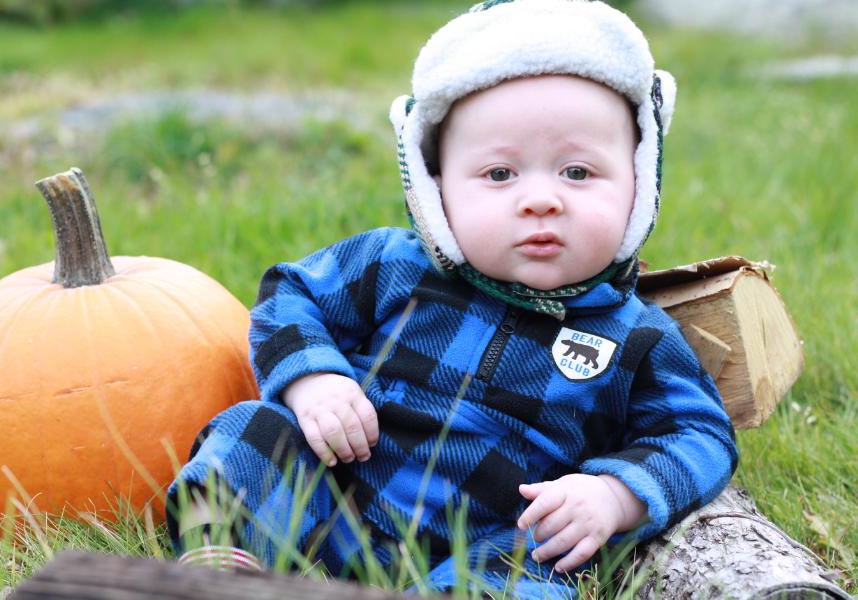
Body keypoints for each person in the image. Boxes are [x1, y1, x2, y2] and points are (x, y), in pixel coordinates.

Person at [167, 1, 738, 596]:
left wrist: (615, 495)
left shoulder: (636, 337)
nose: (540, 200)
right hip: (333, 496)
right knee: (254, 431)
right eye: (499, 174)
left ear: (639, 184)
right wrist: (314, 379)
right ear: (436, 187)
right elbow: (291, 293)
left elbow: (699, 433)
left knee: (537, 565)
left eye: (577, 172)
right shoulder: (393, 264)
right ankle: (219, 568)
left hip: (489, 541)